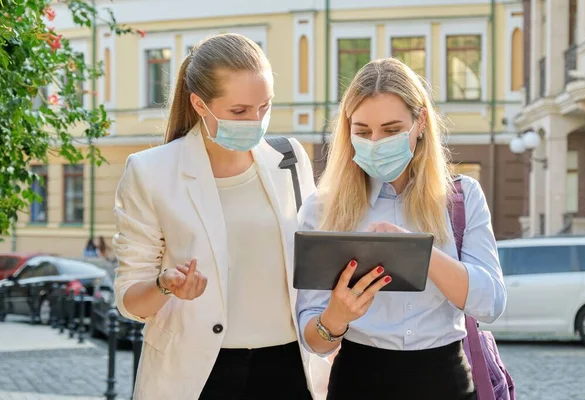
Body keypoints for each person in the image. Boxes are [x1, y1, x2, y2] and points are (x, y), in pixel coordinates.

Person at [113, 34, 329, 400]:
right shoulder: (151, 171)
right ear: (199, 104)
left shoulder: (289, 159)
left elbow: (312, 263)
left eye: (265, 106)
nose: (256, 121)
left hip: (290, 369)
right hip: (197, 375)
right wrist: (166, 285)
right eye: (240, 111)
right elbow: (129, 301)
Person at [296, 58, 507, 400]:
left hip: (447, 379)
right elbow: (313, 341)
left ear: (420, 122)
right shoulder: (323, 207)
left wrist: (417, 253)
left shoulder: (461, 197)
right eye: (362, 131)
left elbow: (491, 304)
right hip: (359, 379)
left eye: (392, 130)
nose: (376, 142)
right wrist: (336, 316)